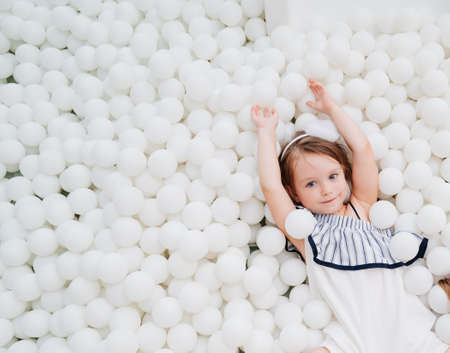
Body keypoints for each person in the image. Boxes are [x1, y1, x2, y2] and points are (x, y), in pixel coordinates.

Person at [252, 78, 450, 353]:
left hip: (407, 327)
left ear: (344, 173)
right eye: (310, 184)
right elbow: (271, 188)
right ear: (294, 193)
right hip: (351, 339)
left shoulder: (363, 208)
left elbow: (362, 149)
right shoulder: (305, 232)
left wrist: (332, 109)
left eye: (333, 177)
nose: (326, 190)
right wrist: (266, 134)